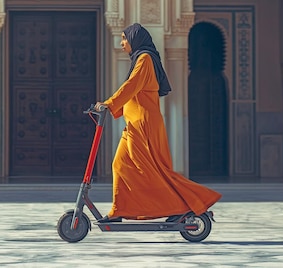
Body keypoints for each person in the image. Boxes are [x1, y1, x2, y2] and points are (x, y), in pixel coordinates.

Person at [94, 23, 222, 223]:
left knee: (150, 171)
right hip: (133, 125)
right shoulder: (140, 59)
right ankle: (120, 209)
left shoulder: (144, 59)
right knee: (120, 164)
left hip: (143, 126)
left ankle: (186, 204)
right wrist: (112, 107)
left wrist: (109, 104)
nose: (121, 43)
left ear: (135, 40)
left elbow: (131, 86)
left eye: (124, 38)